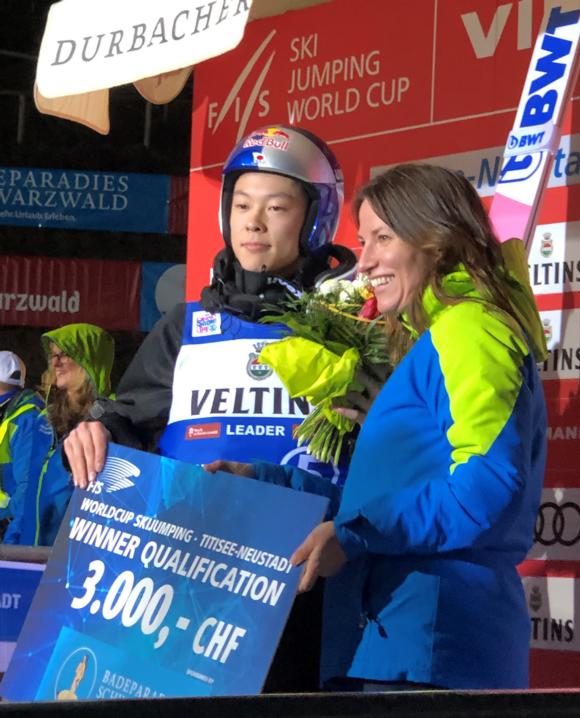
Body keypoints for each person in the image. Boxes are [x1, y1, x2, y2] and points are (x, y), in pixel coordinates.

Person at [206, 163, 548, 690]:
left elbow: (485, 489)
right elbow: (382, 500)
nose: (363, 262)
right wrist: (268, 483)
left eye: (383, 238)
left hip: (432, 650)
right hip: (390, 644)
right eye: (363, 241)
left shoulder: (471, 330)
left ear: (436, 238)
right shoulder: (435, 337)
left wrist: (355, 534)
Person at [63, 125, 356, 691]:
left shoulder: (349, 331)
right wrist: (97, 428)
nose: (254, 222)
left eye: (276, 207)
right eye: (242, 205)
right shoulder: (188, 326)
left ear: (315, 219)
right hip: (189, 591)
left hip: (304, 594)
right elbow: (131, 416)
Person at [4, 323, 114, 546]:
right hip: (29, 551)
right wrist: (12, 542)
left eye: (65, 354)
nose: (56, 362)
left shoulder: (113, 422)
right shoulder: (43, 420)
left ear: (89, 359)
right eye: (53, 355)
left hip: (72, 557)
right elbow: (28, 489)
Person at [0, 351, 45, 541]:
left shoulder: (26, 418)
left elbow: (28, 488)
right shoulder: (7, 414)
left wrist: (12, 543)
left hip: (7, 530)